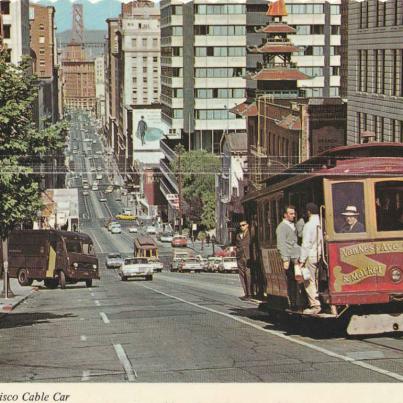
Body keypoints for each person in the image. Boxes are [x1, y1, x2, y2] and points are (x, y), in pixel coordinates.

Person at [276, 205, 301, 309]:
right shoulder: (282, 227)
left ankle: (298, 301)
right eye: (291, 214)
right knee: (292, 281)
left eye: (294, 213)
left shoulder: (292, 225)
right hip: (290, 258)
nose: (293, 216)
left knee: (298, 280)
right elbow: (281, 244)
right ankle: (293, 303)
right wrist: (285, 259)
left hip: (296, 257)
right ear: (285, 215)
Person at [299, 203, 322, 315]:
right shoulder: (322, 222)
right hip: (321, 255)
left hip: (311, 255)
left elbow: (306, 244)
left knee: (309, 280)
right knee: (317, 280)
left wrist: (302, 260)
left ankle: (315, 305)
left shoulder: (309, 225)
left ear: (309, 212)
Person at [235, 220, 252, 300]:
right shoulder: (238, 235)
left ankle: (250, 293)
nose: (242, 227)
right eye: (241, 225)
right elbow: (237, 245)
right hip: (240, 257)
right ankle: (246, 293)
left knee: (248, 275)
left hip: (248, 257)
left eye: (243, 225)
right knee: (242, 276)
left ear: (247, 225)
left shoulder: (251, 233)